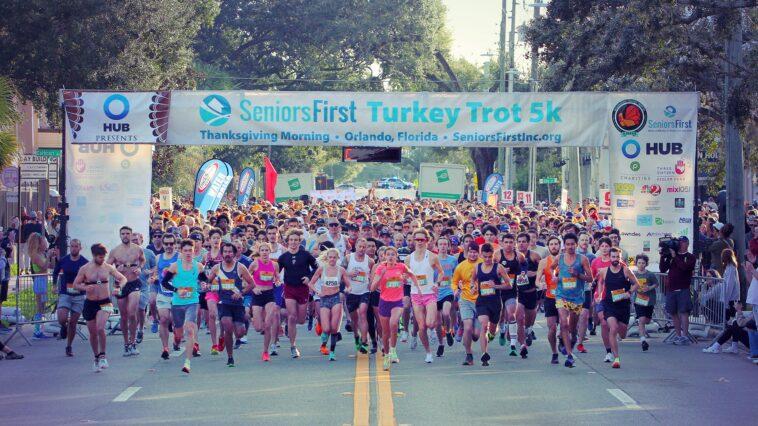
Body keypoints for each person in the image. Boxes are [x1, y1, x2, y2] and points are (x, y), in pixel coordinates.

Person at [72, 243, 127, 372]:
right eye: (100, 257)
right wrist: (85, 287)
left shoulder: (108, 267)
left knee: (100, 328)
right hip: (90, 303)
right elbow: (75, 285)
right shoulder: (85, 268)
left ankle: (103, 356)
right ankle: (96, 357)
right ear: (94, 255)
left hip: (105, 302)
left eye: (104, 257)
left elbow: (123, 278)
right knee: (93, 333)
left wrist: (118, 287)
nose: (102, 259)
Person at [206, 242, 255, 367]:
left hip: (237, 304)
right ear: (222, 254)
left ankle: (243, 322)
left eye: (230, 252)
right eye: (225, 252)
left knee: (240, 333)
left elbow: (252, 284)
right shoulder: (216, 268)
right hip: (224, 303)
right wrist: (209, 286)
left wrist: (241, 293)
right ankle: (230, 357)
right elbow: (208, 282)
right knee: (228, 328)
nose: (227, 254)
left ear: (234, 253)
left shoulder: (240, 267)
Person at [370, 245, 419, 371]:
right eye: (388, 255)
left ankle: (393, 351)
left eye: (393, 254)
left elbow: (412, 275)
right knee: (385, 332)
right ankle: (386, 356)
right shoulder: (380, 268)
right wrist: (380, 276)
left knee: (393, 323)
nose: (391, 257)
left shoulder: (401, 267)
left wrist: (417, 288)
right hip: (384, 301)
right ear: (384, 256)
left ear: (396, 256)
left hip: (397, 301)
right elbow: (372, 288)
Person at [161, 239, 205, 373]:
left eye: (190, 250)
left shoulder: (199, 266)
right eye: (185, 251)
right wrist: (176, 290)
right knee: (179, 333)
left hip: (192, 301)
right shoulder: (175, 266)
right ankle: (176, 341)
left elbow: (204, 280)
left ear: (194, 251)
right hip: (177, 303)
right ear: (181, 252)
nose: (188, 253)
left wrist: (204, 283)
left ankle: (187, 362)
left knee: (190, 329)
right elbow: (164, 282)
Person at [551, 233, 593, 368]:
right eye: (567, 244)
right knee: (563, 323)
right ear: (564, 245)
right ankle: (569, 355)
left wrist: (578, 274)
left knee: (572, 328)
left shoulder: (582, 259)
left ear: (576, 244)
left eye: (572, 244)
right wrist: (554, 276)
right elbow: (552, 268)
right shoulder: (559, 258)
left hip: (577, 297)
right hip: (561, 295)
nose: (570, 247)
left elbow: (590, 278)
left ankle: (572, 340)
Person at [278, 229, 319, 358]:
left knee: (300, 320)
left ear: (299, 241)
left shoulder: (305, 255)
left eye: (296, 240)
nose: (293, 242)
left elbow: (317, 268)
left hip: (303, 289)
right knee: (292, 317)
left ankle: (307, 317)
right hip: (289, 288)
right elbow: (275, 272)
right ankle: (293, 346)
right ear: (287, 242)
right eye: (291, 240)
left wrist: (309, 277)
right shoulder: (283, 257)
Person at [596, 248, 639, 368]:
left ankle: (620, 336)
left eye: (617, 257)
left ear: (621, 258)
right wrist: (600, 294)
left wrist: (629, 292)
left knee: (623, 333)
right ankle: (616, 358)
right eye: (613, 257)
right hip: (609, 304)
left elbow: (636, 283)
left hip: (623, 306)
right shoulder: (604, 271)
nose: (615, 259)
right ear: (609, 257)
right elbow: (600, 282)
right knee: (613, 328)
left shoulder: (626, 270)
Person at [107, 226, 146, 357]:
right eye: (123, 233)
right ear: (120, 235)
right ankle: (126, 343)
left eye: (127, 233)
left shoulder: (137, 249)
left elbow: (143, 260)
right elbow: (107, 266)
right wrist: (116, 270)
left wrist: (140, 268)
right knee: (123, 316)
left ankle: (133, 342)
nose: (125, 235)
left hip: (134, 283)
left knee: (132, 313)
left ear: (131, 234)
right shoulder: (115, 251)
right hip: (121, 284)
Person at [406, 228, 444, 363]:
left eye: (422, 239)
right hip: (416, 295)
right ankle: (428, 352)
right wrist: (404, 279)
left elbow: (441, 272)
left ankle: (433, 329)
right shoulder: (408, 259)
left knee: (430, 323)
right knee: (421, 327)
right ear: (413, 241)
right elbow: (405, 275)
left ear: (427, 241)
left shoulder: (432, 257)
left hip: (430, 293)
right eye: (417, 239)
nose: (419, 242)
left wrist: (437, 283)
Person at [472, 243, 512, 366]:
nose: (487, 259)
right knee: (484, 325)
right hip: (482, 302)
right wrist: (473, 287)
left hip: (495, 303)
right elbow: (473, 280)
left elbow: (509, 285)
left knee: (492, 331)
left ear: (493, 255)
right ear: (481, 255)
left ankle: (492, 335)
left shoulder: (498, 267)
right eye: (485, 257)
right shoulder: (477, 267)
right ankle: (485, 355)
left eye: (490, 257)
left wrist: (495, 286)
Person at [309, 248, 352, 361]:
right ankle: (323, 342)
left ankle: (332, 352)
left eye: (334, 257)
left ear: (337, 258)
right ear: (327, 258)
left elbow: (349, 285)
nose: (332, 259)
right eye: (330, 257)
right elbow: (311, 283)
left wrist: (347, 290)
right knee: (326, 328)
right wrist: (318, 292)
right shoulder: (321, 269)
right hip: (324, 299)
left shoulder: (341, 270)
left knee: (334, 328)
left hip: (336, 299)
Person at [53, 239, 89, 357]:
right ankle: (63, 326)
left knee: (73, 323)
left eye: (76, 246)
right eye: (72, 246)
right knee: (62, 318)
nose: (73, 248)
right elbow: (55, 271)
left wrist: (86, 286)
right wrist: (54, 285)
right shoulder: (64, 260)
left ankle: (69, 346)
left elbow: (89, 277)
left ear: (80, 248)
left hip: (79, 296)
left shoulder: (85, 262)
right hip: (65, 293)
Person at [659, 236, 696, 345]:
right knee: (673, 312)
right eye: (678, 242)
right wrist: (662, 256)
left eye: (682, 242)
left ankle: (685, 336)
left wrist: (675, 257)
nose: (679, 244)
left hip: (683, 288)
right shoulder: (671, 256)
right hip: (671, 288)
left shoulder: (690, 257)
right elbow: (663, 269)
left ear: (687, 244)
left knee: (683, 312)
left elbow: (684, 268)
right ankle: (678, 335)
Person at [249, 242, 282, 361]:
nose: (264, 252)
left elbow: (277, 278)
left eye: (266, 250)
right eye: (262, 250)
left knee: (268, 324)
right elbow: (246, 278)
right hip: (257, 295)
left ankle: (265, 351)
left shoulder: (275, 264)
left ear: (270, 251)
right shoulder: (254, 264)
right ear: (259, 252)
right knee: (258, 328)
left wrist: (277, 282)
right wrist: (254, 288)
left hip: (269, 295)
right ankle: (258, 320)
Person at [495, 233, 525, 357]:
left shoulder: (519, 256)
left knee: (511, 314)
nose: (508, 245)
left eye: (511, 242)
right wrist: (501, 272)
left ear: (514, 243)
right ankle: (502, 330)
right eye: (506, 242)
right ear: (502, 243)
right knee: (500, 316)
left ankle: (513, 344)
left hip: (512, 290)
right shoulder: (497, 255)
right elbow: (490, 271)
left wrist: (522, 274)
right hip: (498, 289)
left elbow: (524, 268)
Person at [452, 242, 482, 365]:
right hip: (465, 300)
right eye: (470, 252)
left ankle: (464, 327)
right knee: (468, 328)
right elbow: (454, 281)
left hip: (481, 301)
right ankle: (469, 355)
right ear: (467, 252)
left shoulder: (483, 264)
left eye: (475, 252)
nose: (472, 254)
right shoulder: (461, 266)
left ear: (478, 253)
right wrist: (455, 290)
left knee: (476, 335)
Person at [345, 238, 374, 354]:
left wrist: (371, 283)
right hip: (351, 292)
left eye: (364, 247)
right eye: (360, 247)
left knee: (362, 313)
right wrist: (349, 274)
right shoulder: (348, 258)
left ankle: (365, 342)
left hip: (364, 292)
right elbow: (340, 272)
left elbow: (373, 275)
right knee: (354, 319)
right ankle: (356, 335)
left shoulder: (370, 261)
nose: (362, 249)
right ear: (355, 246)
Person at [536, 236, 562, 364]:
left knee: (565, 325)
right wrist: (540, 284)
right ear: (548, 247)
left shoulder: (566, 260)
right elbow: (537, 280)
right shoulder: (543, 262)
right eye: (551, 244)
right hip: (550, 297)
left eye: (556, 244)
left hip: (564, 297)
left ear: (560, 246)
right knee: (552, 329)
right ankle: (554, 352)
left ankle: (562, 338)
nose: (554, 246)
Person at [153, 234, 178, 360]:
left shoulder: (180, 257)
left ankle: (176, 341)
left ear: (175, 244)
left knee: (175, 321)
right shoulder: (158, 258)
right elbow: (155, 273)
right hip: (163, 294)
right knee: (163, 319)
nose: (169, 246)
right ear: (162, 244)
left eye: (171, 243)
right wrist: (153, 278)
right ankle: (165, 348)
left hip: (177, 294)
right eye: (166, 244)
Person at [28, 232, 57, 339]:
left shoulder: (42, 254)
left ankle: (38, 330)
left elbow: (51, 266)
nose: (46, 244)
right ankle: (36, 331)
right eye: (43, 242)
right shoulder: (35, 255)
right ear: (38, 244)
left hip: (43, 281)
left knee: (43, 307)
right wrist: (48, 255)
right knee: (40, 307)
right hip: (39, 281)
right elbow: (43, 267)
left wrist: (52, 257)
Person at [516, 232, 541, 349]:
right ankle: (522, 344)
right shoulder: (513, 256)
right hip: (518, 292)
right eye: (519, 241)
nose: (521, 244)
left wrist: (534, 273)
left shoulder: (534, 256)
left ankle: (528, 331)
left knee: (530, 317)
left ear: (528, 243)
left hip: (531, 291)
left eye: (524, 241)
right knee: (519, 317)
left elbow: (543, 270)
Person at [434, 236, 458, 356]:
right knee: (438, 323)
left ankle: (448, 332)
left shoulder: (453, 260)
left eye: (445, 244)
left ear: (448, 246)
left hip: (448, 291)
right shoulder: (433, 260)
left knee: (446, 313)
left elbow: (456, 275)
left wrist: (456, 287)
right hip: (435, 293)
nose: (443, 246)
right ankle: (441, 344)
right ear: (437, 246)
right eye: (441, 244)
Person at [131, 232, 155, 345]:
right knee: (132, 310)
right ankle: (133, 333)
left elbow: (155, 267)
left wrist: (150, 272)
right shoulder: (126, 254)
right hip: (130, 286)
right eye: (133, 240)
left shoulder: (149, 253)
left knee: (140, 309)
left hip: (144, 286)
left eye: (136, 240)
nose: (135, 242)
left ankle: (140, 329)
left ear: (141, 240)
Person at [202, 228, 224, 356]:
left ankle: (222, 336)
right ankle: (214, 344)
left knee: (223, 317)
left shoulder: (225, 254)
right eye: (213, 238)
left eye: (218, 238)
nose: (216, 240)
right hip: (211, 289)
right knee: (212, 314)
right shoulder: (206, 255)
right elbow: (202, 271)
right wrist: (204, 282)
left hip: (224, 289)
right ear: (209, 240)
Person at [632, 254, 658, 352]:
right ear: (636, 263)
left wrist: (649, 287)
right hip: (638, 300)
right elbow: (631, 285)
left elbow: (656, 284)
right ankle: (643, 340)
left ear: (646, 264)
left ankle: (641, 323)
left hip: (649, 300)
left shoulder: (650, 274)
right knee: (641, 320)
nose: (641, 265)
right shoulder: (634, 275)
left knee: (646, 320)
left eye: (643, 263)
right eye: (639, 263)